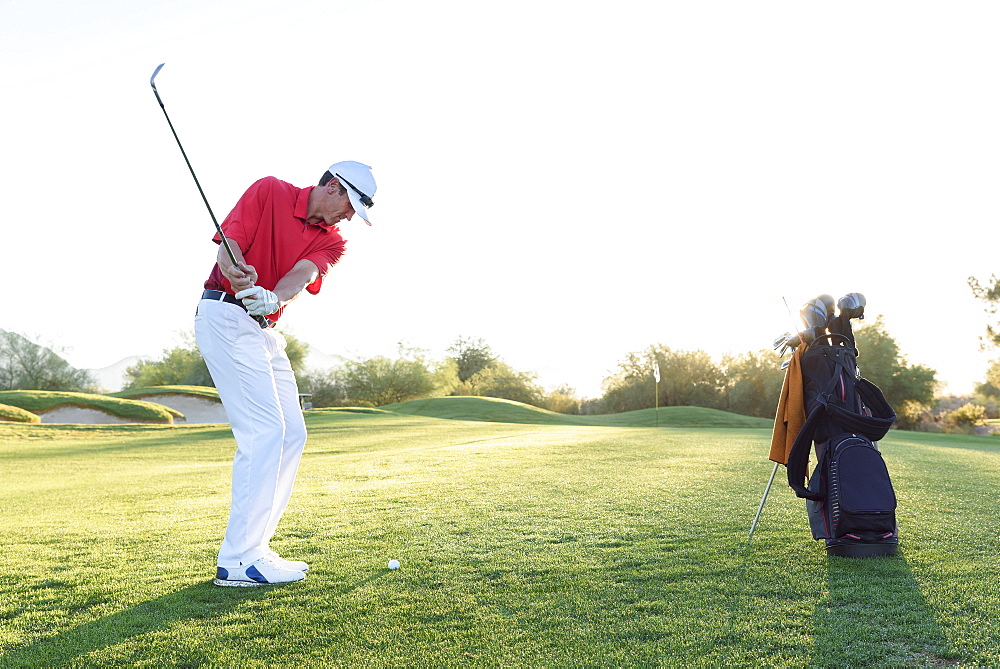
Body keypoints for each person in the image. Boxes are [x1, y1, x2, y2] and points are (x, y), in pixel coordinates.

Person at [194, 161, 377, 586]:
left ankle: (255, 547)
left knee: (292, 432)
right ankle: (237, 559)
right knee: (265, 432)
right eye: (349, 205)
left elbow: (303, 274)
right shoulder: (270, 190)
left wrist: (272, 299)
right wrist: (239, 274)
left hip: (263, 328)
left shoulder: (333, 242)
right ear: (332, 187)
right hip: (223, 314)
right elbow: (229, 246)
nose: (349, 216)